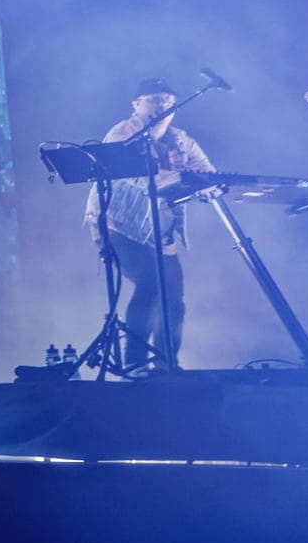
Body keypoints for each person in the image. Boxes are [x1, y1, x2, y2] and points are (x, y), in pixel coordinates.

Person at [82, 77, 216, 371]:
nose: (163, 106)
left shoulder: (181, 139)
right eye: (155, 100)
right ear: (137, 104)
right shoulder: (122, 134)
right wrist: (179, 181)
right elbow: (130, 175)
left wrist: (213, 185)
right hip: (118, 226)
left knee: (174, 300)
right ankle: (135, 363)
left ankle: (167, 363)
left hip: (159, 231)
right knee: (151, 284)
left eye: (168, 101)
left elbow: (206, 171)